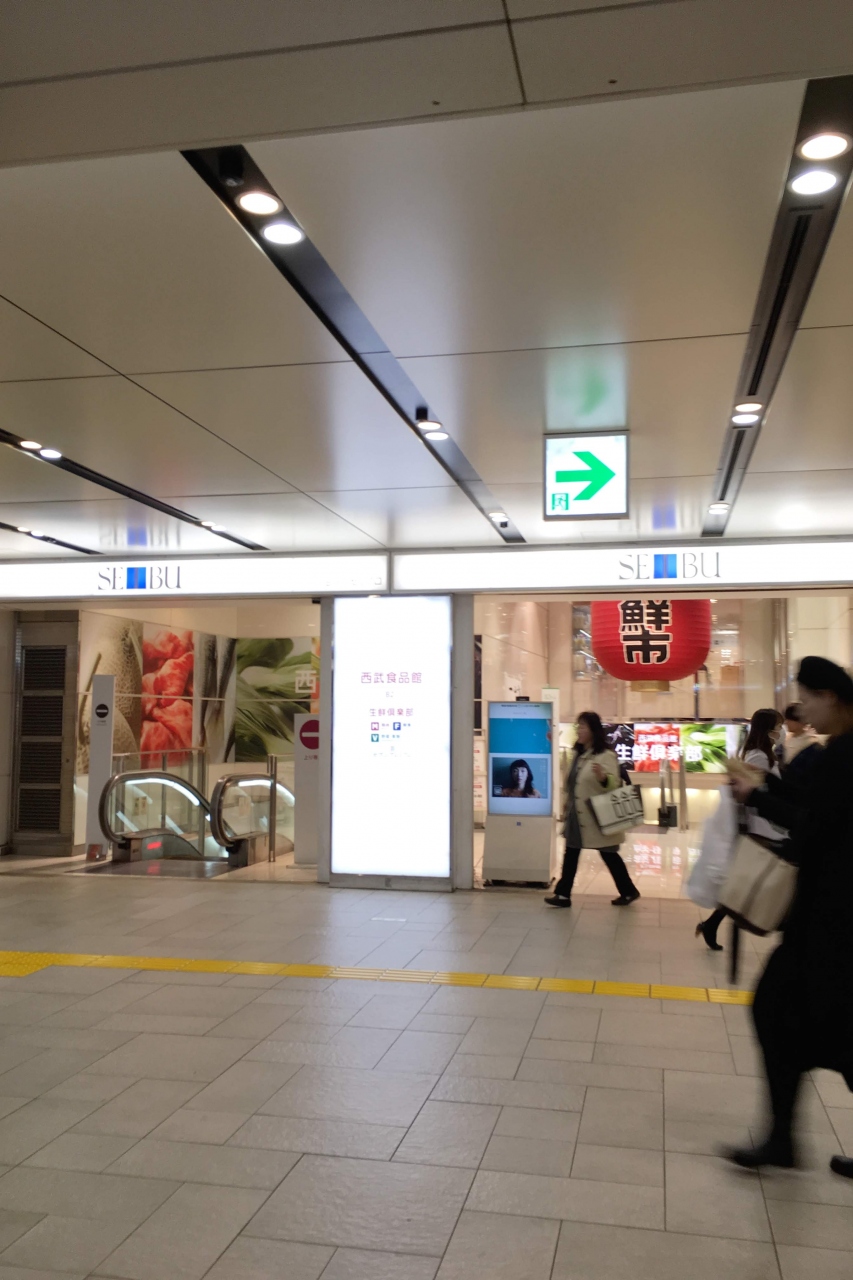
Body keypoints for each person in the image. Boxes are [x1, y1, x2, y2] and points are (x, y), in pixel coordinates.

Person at [725, 657, 853, 1177]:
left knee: (783, 1012)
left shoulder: (845, 754)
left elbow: (814, 825)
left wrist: (759, 795)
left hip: (833, 919)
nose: (803, 709)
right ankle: (781, 1139)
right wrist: (763, 787)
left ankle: (781, 1140)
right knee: (792, 1017)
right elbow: (815, 804)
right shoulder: (838, 750)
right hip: (826, 917)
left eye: (809, 698)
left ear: (832, 698)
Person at [694, 708, 784, 951]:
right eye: (778, 726)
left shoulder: (760, 753)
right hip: (759, 826)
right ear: (768, 728)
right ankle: (713, 924)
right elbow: (754, 792)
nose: (781, 731)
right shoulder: (759, 756)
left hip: (762, 824)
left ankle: (711, 924)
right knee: (748, 880)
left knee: (745, 880)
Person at [545, 710, 640, 909]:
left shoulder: (606, 755)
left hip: (597, 815)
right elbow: (572, 779)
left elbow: (614, 784)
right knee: (571, 851)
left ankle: (628, 891)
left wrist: (603, 778)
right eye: (578, 726)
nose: (579, 730)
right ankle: (563, 894)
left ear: (593, 730)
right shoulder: (579, 755)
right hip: (577, 813)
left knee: (608, 853)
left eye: (583, 726)